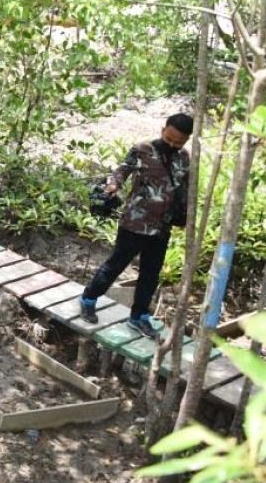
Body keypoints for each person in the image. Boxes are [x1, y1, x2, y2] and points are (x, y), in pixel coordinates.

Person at [78, 113, 193, 338]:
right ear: (163, 130)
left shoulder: (184, 158)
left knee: (151, 273)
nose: (172, 144)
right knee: (116, 265)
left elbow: (185, 188)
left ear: (186, 141)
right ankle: (88, 299)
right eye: (169, 138)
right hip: (134, 222)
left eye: (178, 142)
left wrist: (185, 215)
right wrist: (112, 186)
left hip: (162, 226)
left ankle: (139, 317)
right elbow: (122, 170)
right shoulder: (143, 149)